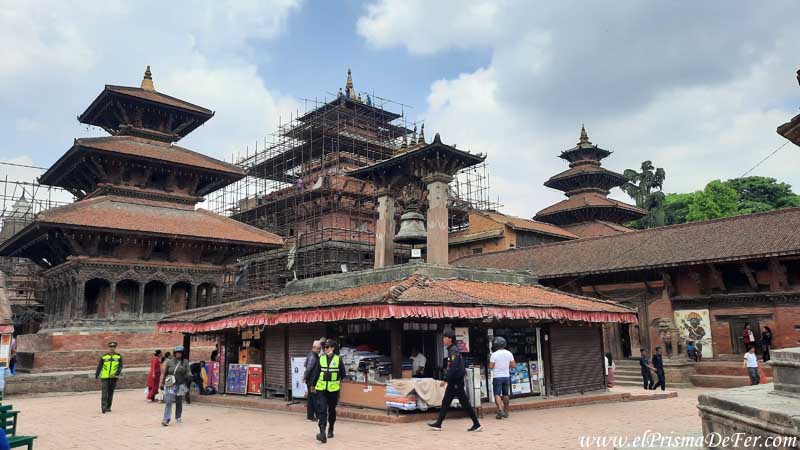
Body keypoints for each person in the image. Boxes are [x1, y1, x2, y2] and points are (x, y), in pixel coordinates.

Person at [427, 331, 482, 432]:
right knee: (445, 402)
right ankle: (438, 423)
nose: (443, 339)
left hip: (456, 382)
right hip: (453, 382)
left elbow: (454, 367)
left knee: (465, 403)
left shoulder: (453, 350)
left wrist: (445, 379)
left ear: (450, 339)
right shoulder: (451, 350)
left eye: (445, 338)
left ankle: (476, 424)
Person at [309, 339, 346, 443]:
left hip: (333, 389)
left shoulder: (338, 359)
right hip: (321, 388)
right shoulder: (321, 359)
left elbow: (343, 374)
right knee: (322, 410)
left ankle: (331, 429)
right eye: (324, 347)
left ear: (333, 348)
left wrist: (336, 381)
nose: (325, 349)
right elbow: (316, 373)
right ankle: (322, 432)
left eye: (328, 347)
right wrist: (313, 385)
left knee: (331, 410)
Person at [161, 345, 190, 426]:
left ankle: (178, 416)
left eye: (180, 353)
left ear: (182, 354)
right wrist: (162, 383)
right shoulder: (169, 362)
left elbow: (188, 371)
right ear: (174, 353)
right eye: (177, 353)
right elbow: (165, 373)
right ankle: (166, 419)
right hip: (170, 384)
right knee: (169, 401)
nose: (178, 354)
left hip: (180, 384)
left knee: (178, 401)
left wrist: (189, 375)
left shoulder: (185, 362)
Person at [489, 336, 515, 420]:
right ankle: (506, 411)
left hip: (497, 377)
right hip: (506, 376)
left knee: (497, 394)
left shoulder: (494, 354)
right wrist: (506, 366)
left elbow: (491, 366)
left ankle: (500, 409)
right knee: (505, 394)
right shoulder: (509, 353)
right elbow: (513, 365)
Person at [95, 341, 123, 413]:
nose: (112, 348)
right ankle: (103, 407)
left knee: (110, 393)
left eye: (113, 347)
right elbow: (99, 366)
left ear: (115, 348)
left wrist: (116, 373)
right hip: (105, 377)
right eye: (111, 347)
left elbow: (120, 367)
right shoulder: (104, 356)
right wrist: (96, 375)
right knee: (104, 392)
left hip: (113, 378)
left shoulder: (119, 356)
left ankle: (108, 407)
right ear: (109, 348)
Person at [302, 340, 321, 422]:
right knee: (314, 398)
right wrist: (305, 377)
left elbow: (305, 365)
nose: (319, 350)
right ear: (313, 348)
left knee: (311, 398)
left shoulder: (313, 355)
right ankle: (317, 416)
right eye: (318, 348)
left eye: (320, 348)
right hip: (312, 381)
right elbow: (309, 368)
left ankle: (310, 417)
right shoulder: (313, 356)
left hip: (311, 380)